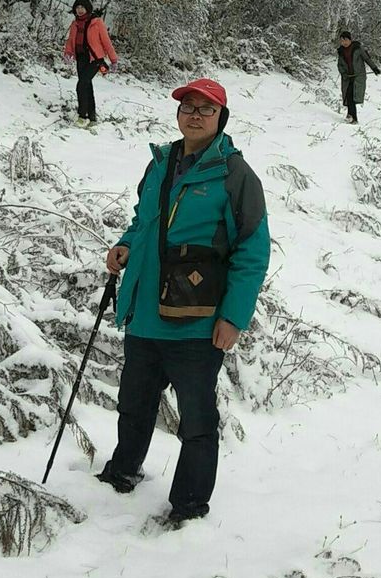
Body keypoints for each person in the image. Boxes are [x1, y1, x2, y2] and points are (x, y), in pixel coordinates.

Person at [98, 78, 270, 528]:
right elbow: (143, 221)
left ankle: (189, 505)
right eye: (188, 107)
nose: (195, 115)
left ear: (221, 118)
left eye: (205, 109)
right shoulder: (160, 163)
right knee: (134, 405)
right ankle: (121, 473)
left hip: (196, 322)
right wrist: (124, 245)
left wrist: (233, 317)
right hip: (145, 315)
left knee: (196, 420)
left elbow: (252, 252)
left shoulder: (236, 176)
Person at [63, 0, 118, 127]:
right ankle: (92, 117)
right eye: (77, 7)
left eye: (82, 7)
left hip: (95, 60)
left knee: (81, 85)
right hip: (81, 58)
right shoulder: (75, 24)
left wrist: (113, 59)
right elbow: (71, 40)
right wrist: (68, 53)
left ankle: (82, 116)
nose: (80, 10)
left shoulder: (96, 22)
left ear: (87, 8)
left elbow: (106, 41)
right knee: (87, 86)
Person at [337, 30, 381, 124]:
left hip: (358, 76)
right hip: (347, 77)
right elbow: (340, 65)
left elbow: (367, 58)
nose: (344, 42)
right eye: (342, 40)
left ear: (350, 40)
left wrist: (374, 68)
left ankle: (353, 118)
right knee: (348, 96)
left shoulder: (358, 48)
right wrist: (344, 74)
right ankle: (351, 116)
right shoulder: (341, 51)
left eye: (346, 40)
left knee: (352, 96)